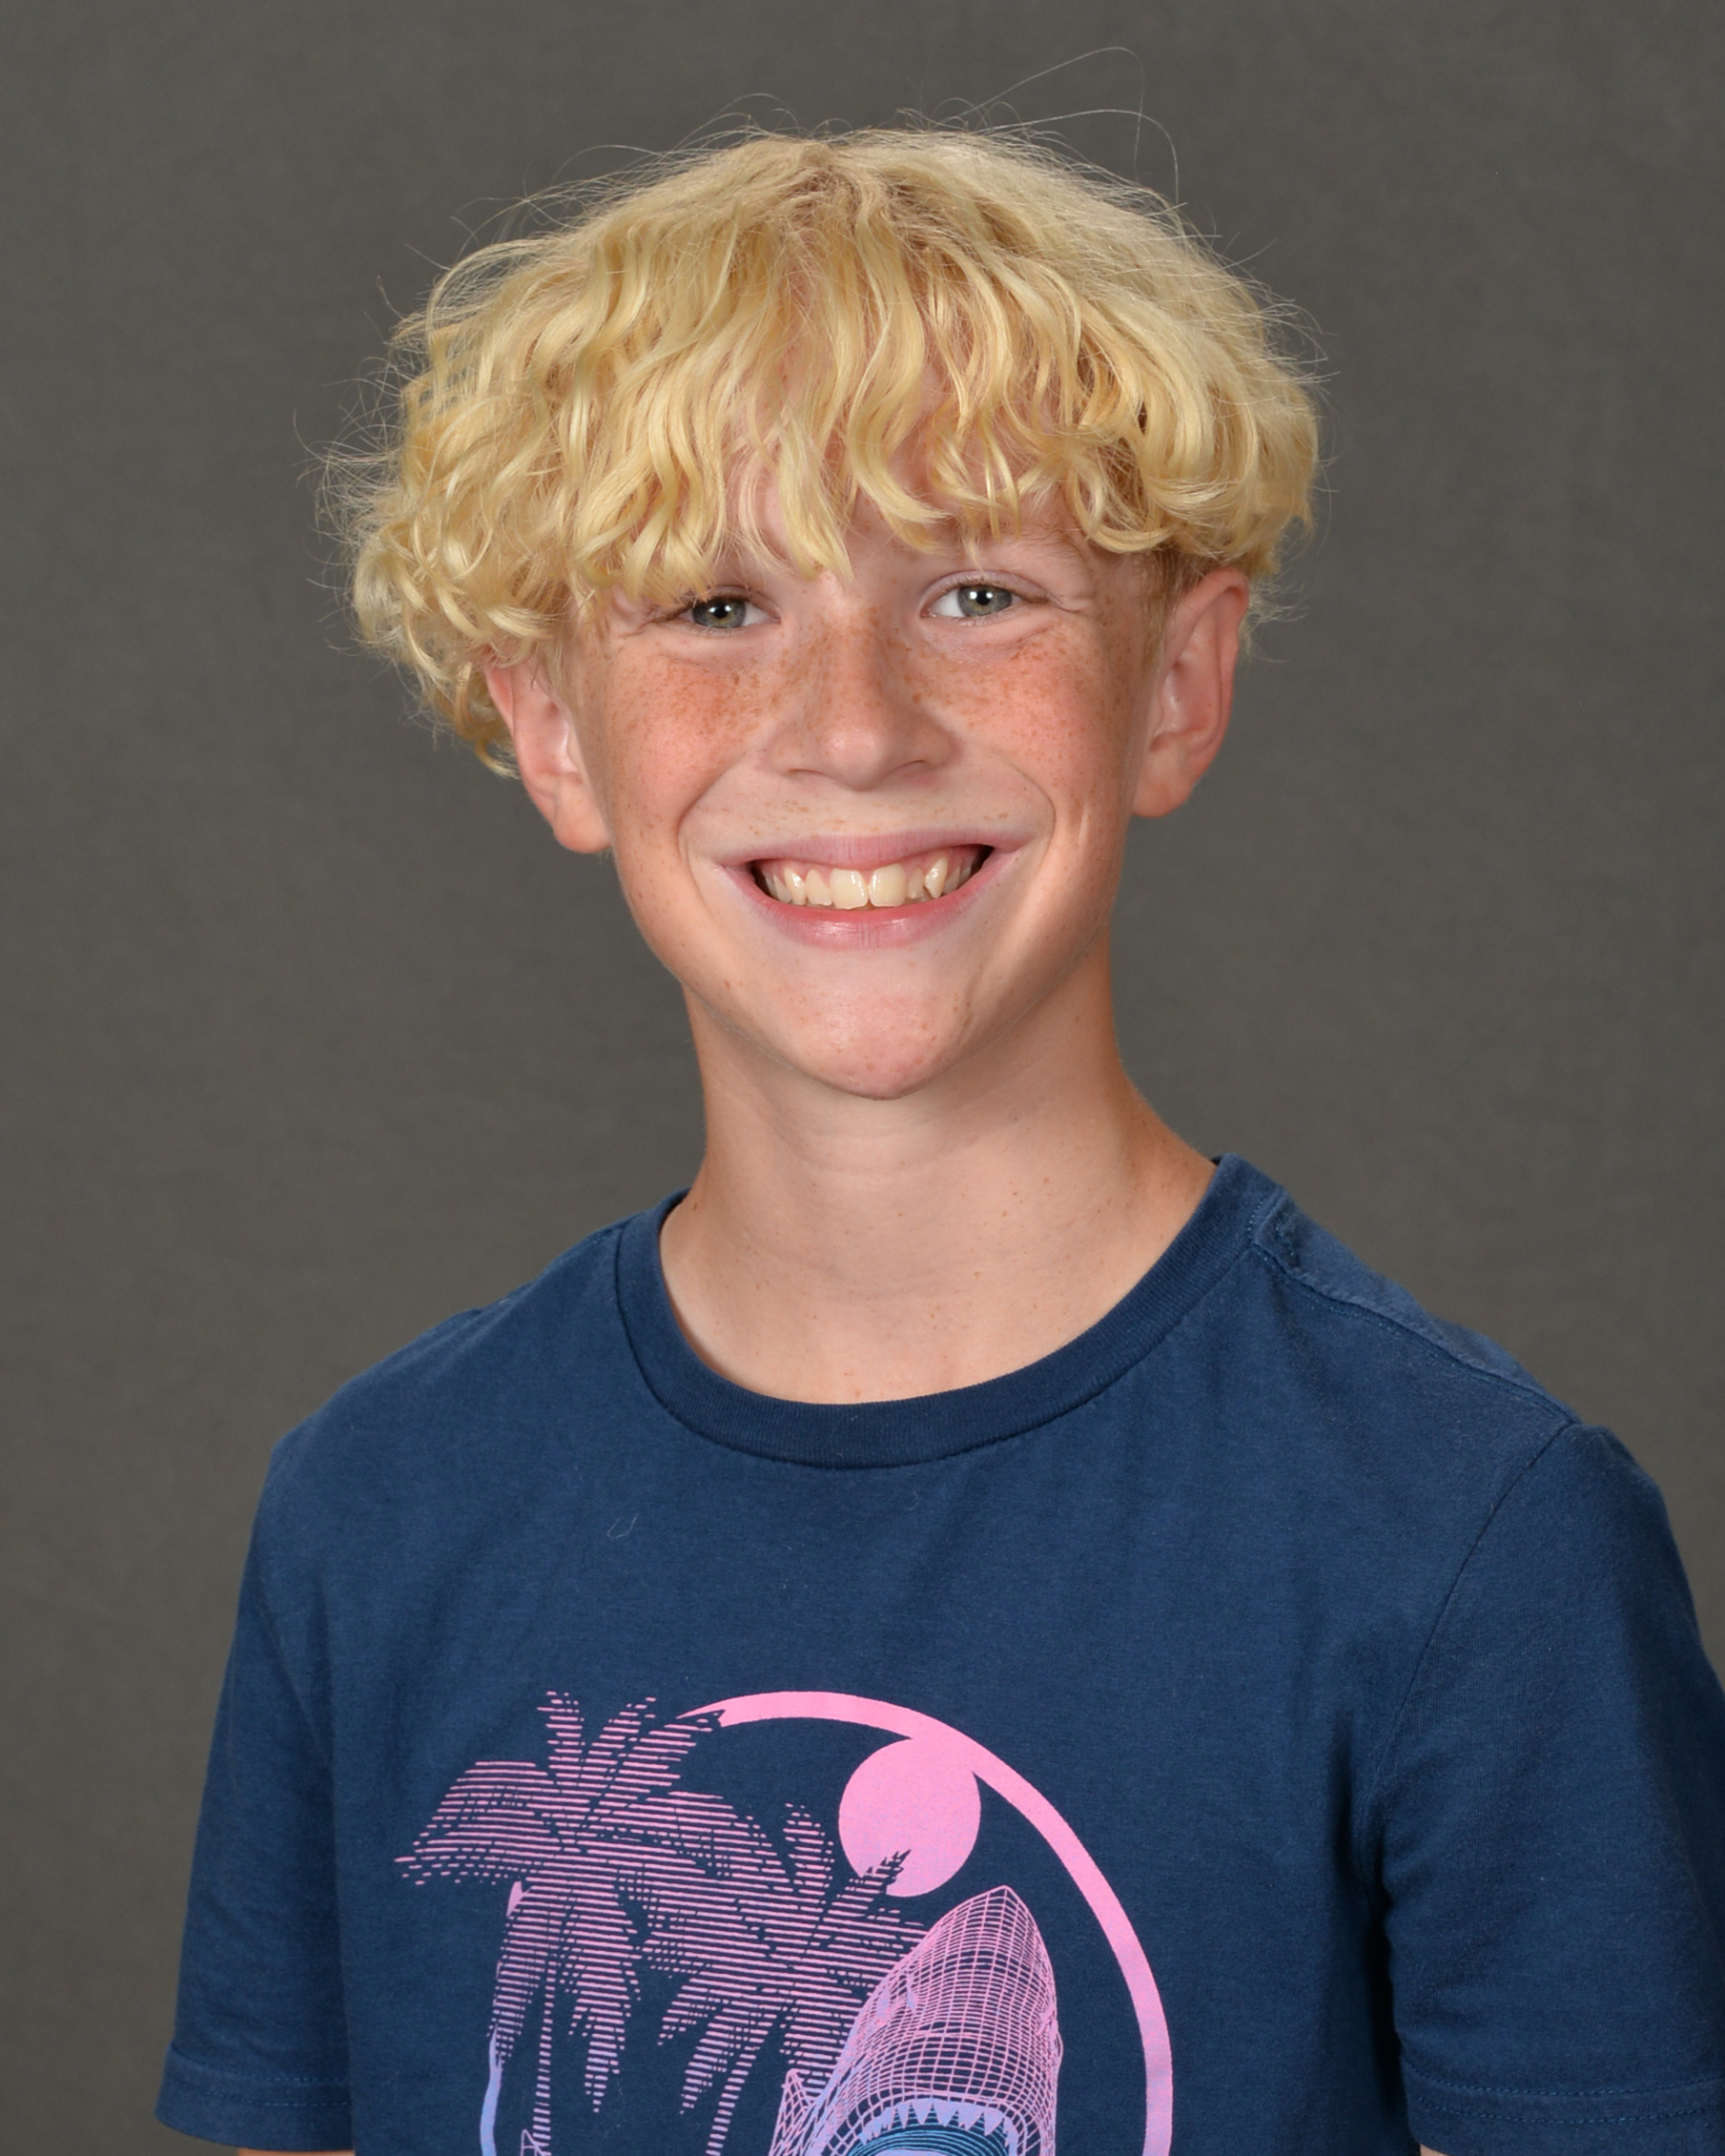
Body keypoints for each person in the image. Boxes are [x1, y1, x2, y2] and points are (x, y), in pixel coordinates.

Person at [155, 129, 1725, 2156]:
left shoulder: (1471, 1540)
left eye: (976, 591)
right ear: (549, 727)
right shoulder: (376, 1517)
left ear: (1176, 685)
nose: (855, 725)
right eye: (715, 603)